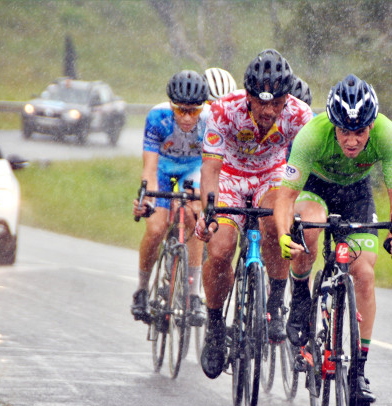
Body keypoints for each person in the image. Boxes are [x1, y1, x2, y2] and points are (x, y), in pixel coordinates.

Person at [274, 74, 392, 406]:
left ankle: (358, 371)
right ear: (333, 125)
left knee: (363, 273)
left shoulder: (389, 135)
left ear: (372, 124)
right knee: (310, 228)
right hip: (315, 188)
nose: (352, 141)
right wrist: (283, 235)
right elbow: (285, 197)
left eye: (360, 132)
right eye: (344, 132)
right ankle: (301, 294)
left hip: (356, 195)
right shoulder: (312, 135)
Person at [195, 48, 313, 379]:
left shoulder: (300, 115)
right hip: (229, 176)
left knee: (276, 224)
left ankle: (275, 301)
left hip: (271, 175)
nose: (269, 110)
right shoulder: (224, 109)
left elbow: (306, 168)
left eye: (277, 102)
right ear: (247, 94)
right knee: (220, 250)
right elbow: (210, 168)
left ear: (287, 98)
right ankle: (215, 327)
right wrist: (209, 211)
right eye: (261, 102)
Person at [131, 70, 210, 326]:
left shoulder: (210, 120)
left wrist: (202, 198)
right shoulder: (157, 117)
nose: (187, 117)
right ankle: (142, 289)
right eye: (181, 110)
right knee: (156, 229)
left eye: (193, 111)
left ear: (202, 107)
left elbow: (211, 167)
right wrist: (148, 200)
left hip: (194, 169)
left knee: (194, 217)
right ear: (171, 105)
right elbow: (149, 168)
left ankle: (194, 294)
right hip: (163, 170)